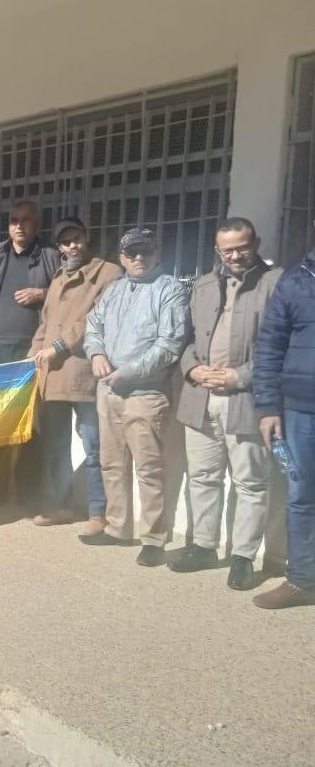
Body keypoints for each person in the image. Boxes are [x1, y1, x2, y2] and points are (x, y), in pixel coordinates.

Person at [171, 218, 282, 591]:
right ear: (217, 250)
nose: (234, 256)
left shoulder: (275, 284)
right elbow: (185, 339)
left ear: (256, 244)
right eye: (227, 250)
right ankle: (203, 546)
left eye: (241, 248)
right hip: (200, 397)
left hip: (247, 400)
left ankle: (242, 557)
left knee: (250, 482)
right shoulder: (203, 285)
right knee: (202, 476)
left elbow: (283, 346)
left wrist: (241, 376)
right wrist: (192, 368)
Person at [82, 228, 189, 566]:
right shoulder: (114, 290)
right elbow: (93, 326)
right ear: (122, 258)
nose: (139, 258)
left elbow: (170, 343)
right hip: (109, 391)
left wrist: (128, 372)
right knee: (112, 463)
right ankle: (117, 527)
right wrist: (96, 353)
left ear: (157, 253)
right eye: (132, 253)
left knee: (150, 469)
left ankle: (154, 538)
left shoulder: (169, 289)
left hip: (146, 393)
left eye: (146, 251)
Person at [29, 218, 121, 531]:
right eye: (66, 242)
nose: (73, 246)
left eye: (77, 239)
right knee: (56, 447)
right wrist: (31, 358)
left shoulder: (108, 273)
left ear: (86, 237)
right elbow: (45, 324)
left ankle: (98, 511)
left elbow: (95, 318)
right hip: (52, 375)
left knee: (94, 445)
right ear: (60, 247)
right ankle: (61, 506)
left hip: (84, 372)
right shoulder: (57, 279)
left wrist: (58, 347)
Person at [251, 223, 315, 609]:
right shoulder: (295, 282)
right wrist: (267, 407)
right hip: (302, 412)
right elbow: (270, 347)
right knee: (302, 495)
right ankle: (303, 580)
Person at [0, 201, 61, 507]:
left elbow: (71, 291)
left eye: (26, 220)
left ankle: (28, 492)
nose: (19, 225)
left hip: (32, 352)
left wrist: (43, 293)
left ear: (36, 224)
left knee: (30, 424)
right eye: (14, 220)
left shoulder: (50, 256)